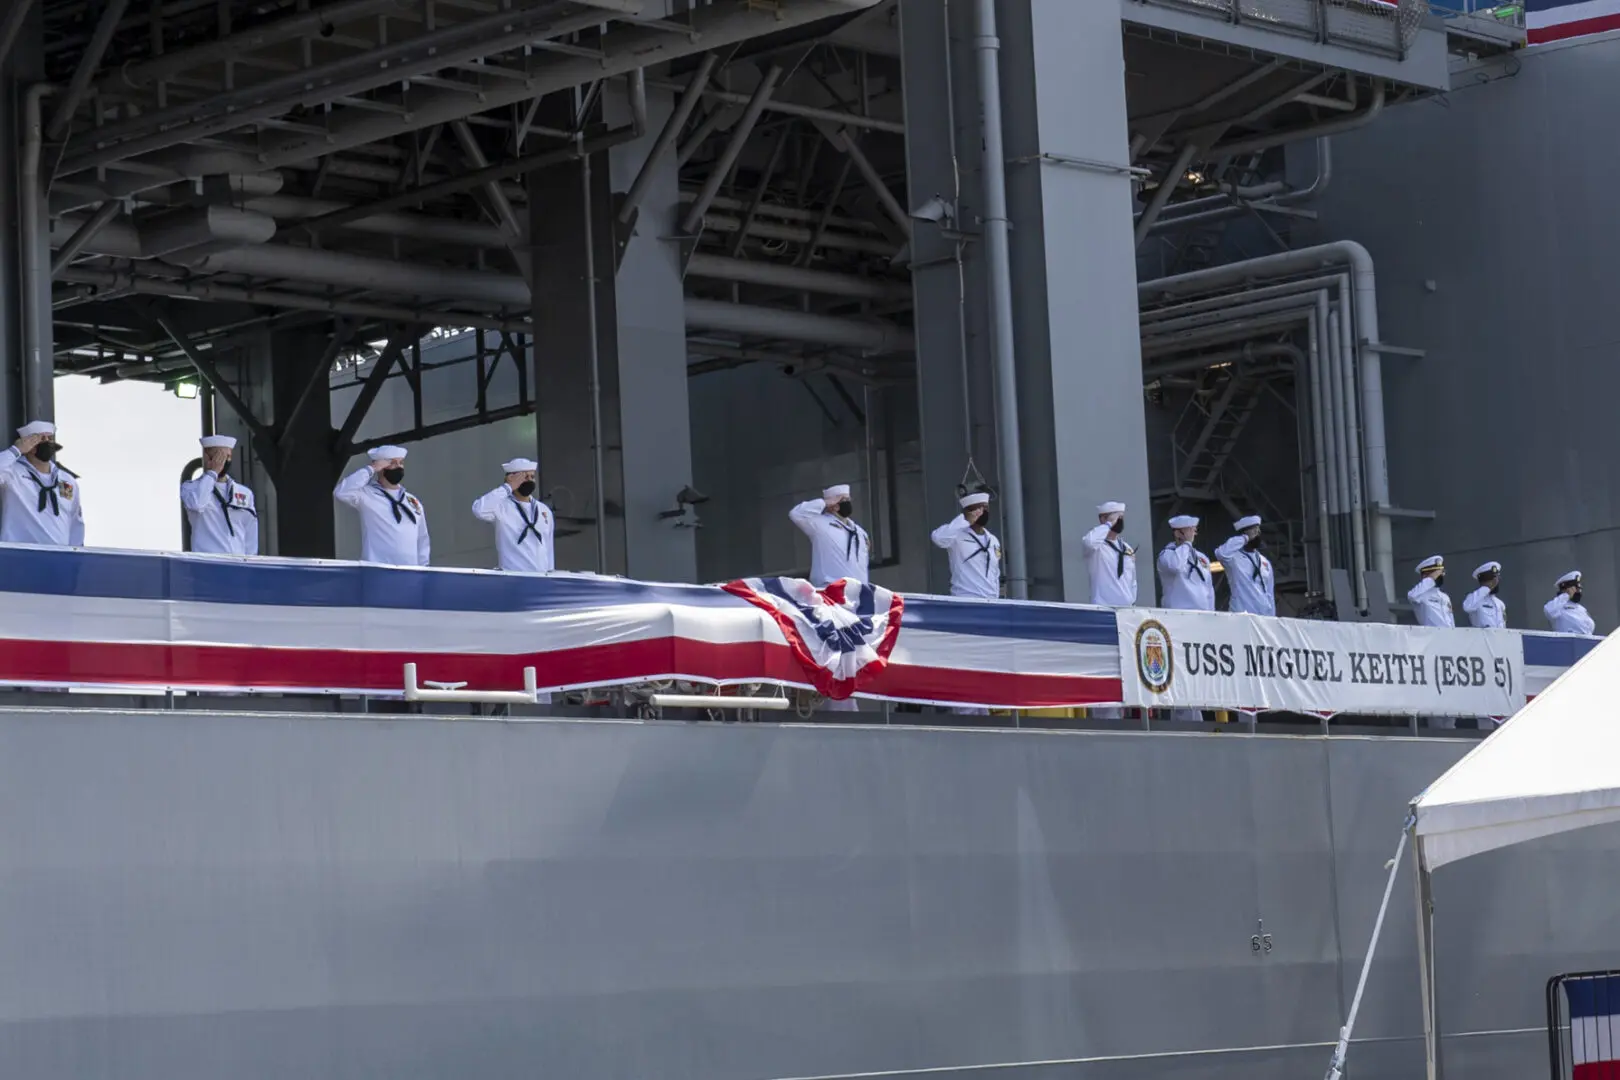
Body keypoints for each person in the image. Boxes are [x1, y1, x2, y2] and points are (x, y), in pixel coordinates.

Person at [333, 445, 430, 566]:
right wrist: (371, 469)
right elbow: (341, 492)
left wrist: (423, 570)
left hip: (410, 573)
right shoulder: (366, 494)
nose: (399, 466)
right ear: (382, 467)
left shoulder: (412, 501)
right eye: (393, 463)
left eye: (401, 463)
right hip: (377, 571)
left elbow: (422, 539)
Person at [0, 420, 84, 547]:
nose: (47, 442)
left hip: (59, 555)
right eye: (40, 438)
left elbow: (75, 521)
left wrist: (77, 554)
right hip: (19, 553)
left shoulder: (66, 480)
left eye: (50, 438)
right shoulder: (12, 472)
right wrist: (16, 450)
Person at [179, 434, 259, 556]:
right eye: (216, 456)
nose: (220, 462)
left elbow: (250, 531)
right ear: (206, 457)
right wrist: (212, 473)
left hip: (238, 564)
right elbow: (197, 504)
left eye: (224, 457)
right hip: (208, 563)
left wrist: (251, 561)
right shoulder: (191, 488)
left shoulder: (244, 493)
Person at [471, 457, 553, 573]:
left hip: (540, 578)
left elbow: (548, 547)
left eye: (532, 477)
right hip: (513, 577)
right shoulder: (500, 506)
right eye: (524, 477)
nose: (529, 480)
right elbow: (479, 510)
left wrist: (550, 573)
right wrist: (507, 488)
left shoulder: (543, 510)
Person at [789, 483, 869, 587]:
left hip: (858, 592)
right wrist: (824, 502)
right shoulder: (820, 524)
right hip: (830, 588)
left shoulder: (859, 532)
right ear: (832, 504)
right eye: (842, 500)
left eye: (848, 499)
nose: (847, 503)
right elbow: (796, 514)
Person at [930, 491, 1001, 599]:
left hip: (991, 601)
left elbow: (995, 572)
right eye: (978, 509)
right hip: (966, 599)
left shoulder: (993, 539)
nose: (983, 512)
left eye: (985, 508)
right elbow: (938, 538)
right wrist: (964, 521)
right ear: (968, 512)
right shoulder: (956, 534)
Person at [1214, 514, 1275, 616]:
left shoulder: (1265, 562)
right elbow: (1220, 553)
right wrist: (1245, 538)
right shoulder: (1233, 558)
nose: (1257, 533)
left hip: (1263, 615)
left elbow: (1270, 593)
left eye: (1258, 530)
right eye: (1253, 530)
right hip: (1241, 614)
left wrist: (1272, 617)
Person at [1081, 500, 1137, 607]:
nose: (1120, 521)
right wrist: (1108, 525)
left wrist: (1132, 599)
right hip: (1103, 606)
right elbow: (1089, 542)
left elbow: (1132, 579)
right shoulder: (1097, 546)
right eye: (1117, 517)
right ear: (1103, 519)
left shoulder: (1126, 548)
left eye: (1122, 517)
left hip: (1126, 609)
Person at [1157, 514, 1215, 611]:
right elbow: (1177, 566)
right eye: (1189, 530)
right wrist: (1187, 543)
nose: (1193, 534)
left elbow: (1209, 588)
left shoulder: (1201, 557)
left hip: (1203, 613)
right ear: (1178, 533)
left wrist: (1212, 611)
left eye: (1194, 530)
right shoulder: (1166, 555)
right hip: (1179, 613)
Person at [1408, 555, 1454, 628]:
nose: (1439, 577)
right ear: (1424, 576)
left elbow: (1451, 621)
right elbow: (1411, 596)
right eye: (1436, 574)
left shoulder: (1445, 597)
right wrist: (1431, 579)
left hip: (1449, 636)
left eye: (1441, 574)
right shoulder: (1420, 595)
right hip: (1431, 636)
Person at [1545, 571, 1595, 635]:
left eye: (1579, 589)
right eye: (1576, 589)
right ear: (1566, 589)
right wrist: (1566, 595)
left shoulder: (1581, 609)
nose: (1579, 592)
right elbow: (1549, 611)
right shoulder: (1558, 607)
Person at [1461, 561, 1506, 629]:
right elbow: (1467, 607)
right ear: (1483, 581)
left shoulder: (1500, 603)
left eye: (1497, 580)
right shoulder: (1475, 599)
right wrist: (1486, 588)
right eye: (1493, 581)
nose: (1495, 584)